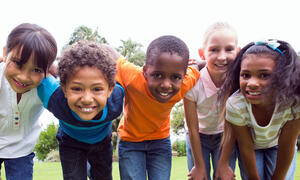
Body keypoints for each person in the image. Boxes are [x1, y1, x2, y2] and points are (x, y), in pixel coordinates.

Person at [116, 35, 200, 180]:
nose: (166, 84)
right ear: (145, 72)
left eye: (175, 77)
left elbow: (200, 66)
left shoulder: (186, 82)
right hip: (131, 142)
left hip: (160, 142)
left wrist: (199, 62)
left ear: (183, 76)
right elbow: (112, 56)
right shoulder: (132, 77)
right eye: (158, 75)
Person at [37, 41, 124, 180]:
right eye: (77, 89)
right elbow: (36, 66)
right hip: (71, 142)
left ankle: (89, 168)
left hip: (101, 143)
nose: (87, 99)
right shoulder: (55, 98)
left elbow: (134, 75)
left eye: (97, 89)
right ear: (64, 89)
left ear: (110, 90)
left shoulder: (116, 99)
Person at [219, 39, 300, 180]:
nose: (252, 83)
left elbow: (287, 145)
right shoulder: (236, 104)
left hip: (277, 145)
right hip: (252, 147)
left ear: (282, 76)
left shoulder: (293, 103)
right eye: (246, 75)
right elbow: (246, 146)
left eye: (264, 75)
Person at [183, 22, 240, 180]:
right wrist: (199, 166)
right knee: (199, 176)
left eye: (228, 49)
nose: (222, 57)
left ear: (238, 51)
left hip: (224, 135)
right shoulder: (192, 83)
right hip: (197, 136)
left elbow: (232, 126)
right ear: (202, 53)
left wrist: (223, 164)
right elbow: (192, 128)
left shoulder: (237, 83)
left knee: (224, 176)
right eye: (214, 50)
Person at [0, 23, 57, 180]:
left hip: (21, 148)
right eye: (18, 63)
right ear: (5, 53)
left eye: (36, 70)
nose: (24, 77)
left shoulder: (47, 87)